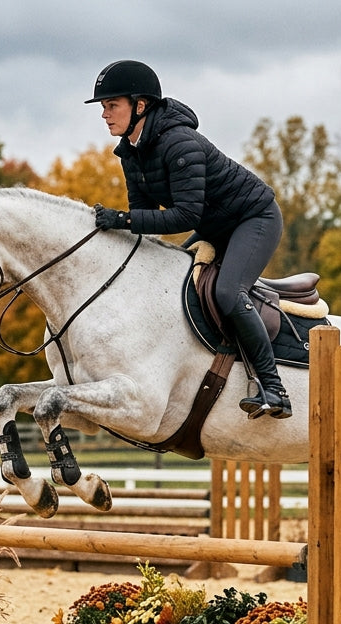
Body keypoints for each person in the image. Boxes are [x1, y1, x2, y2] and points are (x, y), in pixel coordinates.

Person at [86, 59, 292, 419]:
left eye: (112, 105)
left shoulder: (179, 143)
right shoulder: (130, 153)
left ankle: (274, 388)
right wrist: (119, 230)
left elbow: (184, 217)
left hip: (253, 218)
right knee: (169, 286)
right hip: (215, 225)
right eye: (103, 107)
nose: (104, 115)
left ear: (140, 105)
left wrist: (121, 220)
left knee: (228, 293)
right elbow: (146, 220)